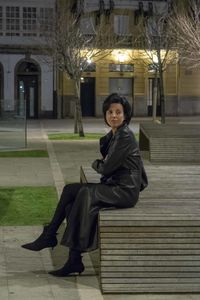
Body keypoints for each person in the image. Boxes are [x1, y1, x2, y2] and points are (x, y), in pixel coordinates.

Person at [21, 93, 148, 277]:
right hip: (117, 187)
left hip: (125, 191)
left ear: (125, 115)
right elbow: (108, 164)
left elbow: (105, 167)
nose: (114, 115)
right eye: (110, 112)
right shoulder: (115, 135)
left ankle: (58, 245)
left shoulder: (125, 136)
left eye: (118, 112)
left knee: (79, 194)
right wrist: (102, 162)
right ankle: (63, 249)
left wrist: (95, 163)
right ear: (105, 114)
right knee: (71, 196)